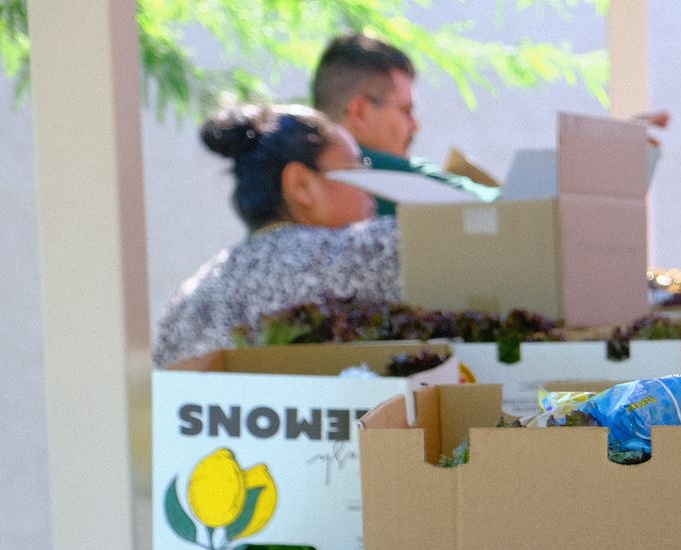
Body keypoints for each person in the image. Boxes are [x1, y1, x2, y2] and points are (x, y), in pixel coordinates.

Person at [152, 104, 398, 367]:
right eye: (357, 169)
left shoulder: (190, 298)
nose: (371, 189)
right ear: (301, 185)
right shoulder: (360, 253)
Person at [310, 33, 496, 214]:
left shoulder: (294, 170)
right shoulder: (379, 171)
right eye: (406, 111)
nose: (415, 126)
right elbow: (508, 206)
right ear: (360, 112)